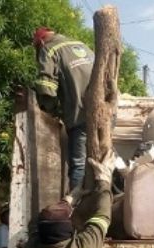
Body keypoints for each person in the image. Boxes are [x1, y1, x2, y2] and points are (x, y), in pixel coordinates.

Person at [33, 27, 94, 191]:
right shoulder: (81, 45)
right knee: (104, 158)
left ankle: (76, 209)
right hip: (106, 111)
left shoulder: (48, 48)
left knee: (79, 164)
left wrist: (50, 111)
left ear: (40, 42)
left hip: (80, 113)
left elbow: (46, 86)